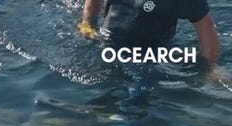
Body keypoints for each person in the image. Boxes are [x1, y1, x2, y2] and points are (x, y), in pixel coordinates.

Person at [79, 0, 222, 76]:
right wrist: (87, 23)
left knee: (141, 86)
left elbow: (205, 27)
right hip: (108, 43)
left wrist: (211, 68)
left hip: (154, 53)